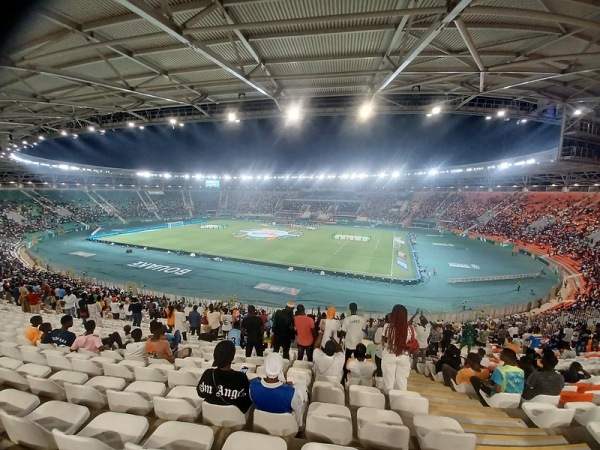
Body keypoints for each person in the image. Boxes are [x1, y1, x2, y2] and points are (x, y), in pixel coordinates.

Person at [250, 352, 308, 427]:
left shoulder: (253, 386)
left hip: (260, 426)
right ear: (281, 368)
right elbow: (298, 411)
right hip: (283, 429)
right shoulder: (291, 392)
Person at [197, 340, 252, 413]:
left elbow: (201, 394)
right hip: (234, 420)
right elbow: (246, 403)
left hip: (210, 417)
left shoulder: (208, 373)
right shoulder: (241, 377)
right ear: (232, 357)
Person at [381, 304, 413, 392]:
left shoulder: (388, 327)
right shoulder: (410, 328)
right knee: (402, 383)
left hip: (390, 354)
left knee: (389, 383)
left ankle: (389, 402)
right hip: (404, 356)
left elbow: (384, 341)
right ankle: (401, 402)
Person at [340, 302, 366, 377]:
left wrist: (340, 341)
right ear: (357, 309)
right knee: (357, 361)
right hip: (358, 344)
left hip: (349, 343)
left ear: (350, 309)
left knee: (347, 360)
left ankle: (345, 376)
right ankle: (356, 375)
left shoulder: (347, 319)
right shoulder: (362, 319)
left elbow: (343, 332)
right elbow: (364, 329)